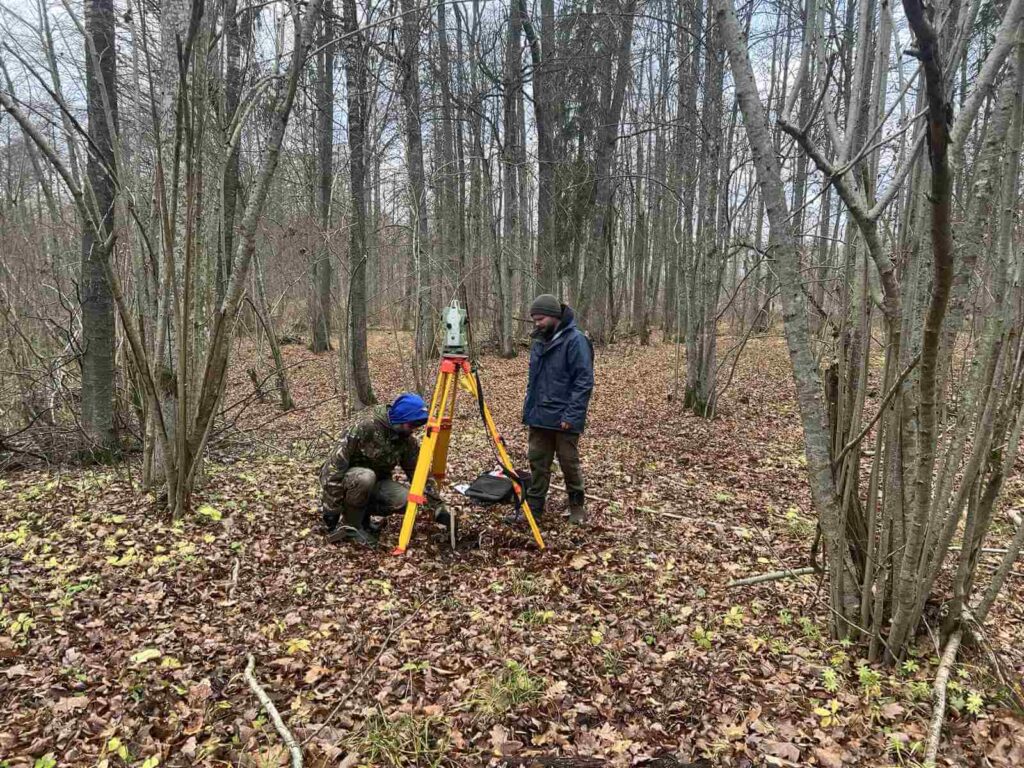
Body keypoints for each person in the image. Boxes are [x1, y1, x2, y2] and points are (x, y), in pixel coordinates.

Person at [319, 393, 448, 546]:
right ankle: (351, 527)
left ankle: (363, 519)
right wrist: (331, 510)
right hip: (350, 481)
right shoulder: (366, 426)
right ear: (400, 418)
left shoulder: (406, 440)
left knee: (407, 500)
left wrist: (438, 506)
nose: (414, 429)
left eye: (417, 425)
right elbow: (333, 468)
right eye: (411, 424)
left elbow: (419, 472)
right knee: (366, 477)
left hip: (376, 483)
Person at [517, 293, 594, 525]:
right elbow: (534, 380)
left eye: (540, 319)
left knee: (568, 463)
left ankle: (577, 507)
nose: (537, 324)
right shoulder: (539, 341)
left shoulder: (576, 341)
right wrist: (529, 410)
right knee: (537, 462)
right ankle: (534, 508)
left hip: (564, 417)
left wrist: (572, 415)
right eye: (534, 320)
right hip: (539, 415)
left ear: (554, 316)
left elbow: (584, 382)